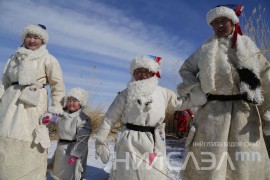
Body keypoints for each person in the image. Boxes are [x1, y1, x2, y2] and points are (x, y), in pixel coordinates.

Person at [177, 4, 270, 179]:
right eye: (215, 22)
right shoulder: (204, 49)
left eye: (223, 21)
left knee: (242, 160)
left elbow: (266, 75)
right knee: (210, 159)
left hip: (243, 113)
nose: (219, 25)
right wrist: (195, 88)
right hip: (212, 114)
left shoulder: (249, 47)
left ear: (233, 22)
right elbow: (185, 69)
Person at [94, 55, 183, 180]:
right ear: (133, 74)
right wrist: (100, 140)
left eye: (146, 71)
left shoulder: (164, 93)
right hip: (129, 141)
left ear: (153, 73)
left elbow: (182, 103)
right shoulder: (125, 94)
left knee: (153, 172)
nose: (142, 74)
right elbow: (109, 118)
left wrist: (199, 94)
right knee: (127, 171)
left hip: (154, 141)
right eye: (138, 71)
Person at [0, 24, 65, 179]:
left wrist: (56, 108)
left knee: (31, 138)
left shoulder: (48, 59)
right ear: (24, 37)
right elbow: (4, 81)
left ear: (42, 40)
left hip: (34, 103)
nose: (32, 40)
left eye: (37, 37)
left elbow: (58, 85)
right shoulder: (13, 57)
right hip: (10, 102)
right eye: (29, 36)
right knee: (6, 135)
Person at [42, 88, 92, 180]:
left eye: (74, 101)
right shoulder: (63, 114)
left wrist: (77, 154)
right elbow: (55, 119)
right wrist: (48, 118)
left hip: (73, 149)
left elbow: (83, 139)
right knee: (58, 171)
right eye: (69, 100)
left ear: (81, 102)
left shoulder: (83, 119)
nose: (71, 103)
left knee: (71, 173)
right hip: (61, 147)